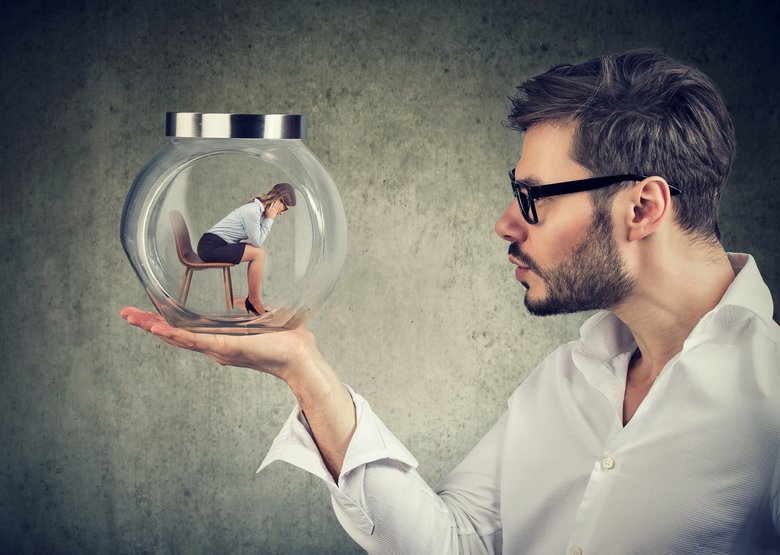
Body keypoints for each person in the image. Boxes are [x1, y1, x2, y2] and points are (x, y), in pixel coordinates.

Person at [121, 49, 780, 553]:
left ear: (642, 207)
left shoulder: (768, 403)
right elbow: (455, 541)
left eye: (533, 198)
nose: (504, 223)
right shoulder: (562, 383)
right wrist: (306, 371)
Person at [196, 182, 296, 315]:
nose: (282, 213)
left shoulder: (258, 211)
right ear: (279, 201)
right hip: (209, 247)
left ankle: (253, 300)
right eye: (285, 208)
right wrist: (270, 219)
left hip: (219, 244)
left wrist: (267, 216)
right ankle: (254, 301)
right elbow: (257, 242)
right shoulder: (253, 211)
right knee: (258, 253)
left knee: (259, 253)